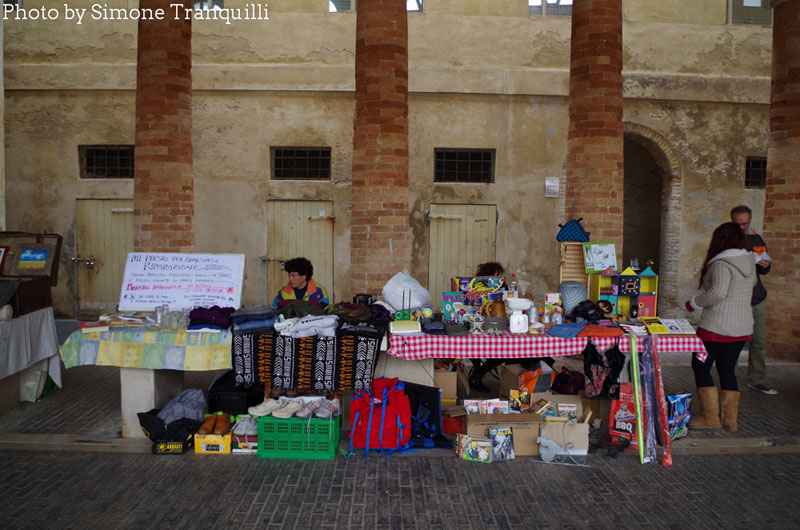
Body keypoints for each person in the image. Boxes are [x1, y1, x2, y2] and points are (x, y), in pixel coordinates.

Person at [685, 222, 756, 431]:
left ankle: (710, 418)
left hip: (716, 326)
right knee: (727, 370)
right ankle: (730, 421)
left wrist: (694, 303)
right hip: (742, 327)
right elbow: (750, 287)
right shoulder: (749, 261)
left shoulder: (721, 263)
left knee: (701, 366)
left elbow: (717, 293)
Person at [730, 205, 777, 395]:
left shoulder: (756, 238)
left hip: (756, 297)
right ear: (731, 222)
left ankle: (756, 379)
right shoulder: (725, 240)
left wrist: (765, 264)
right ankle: (730, 381)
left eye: (746, 223)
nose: (743, 227)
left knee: (758, 341)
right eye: (739, 224)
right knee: (732, 342)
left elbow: (764, 269)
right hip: (734, 300)